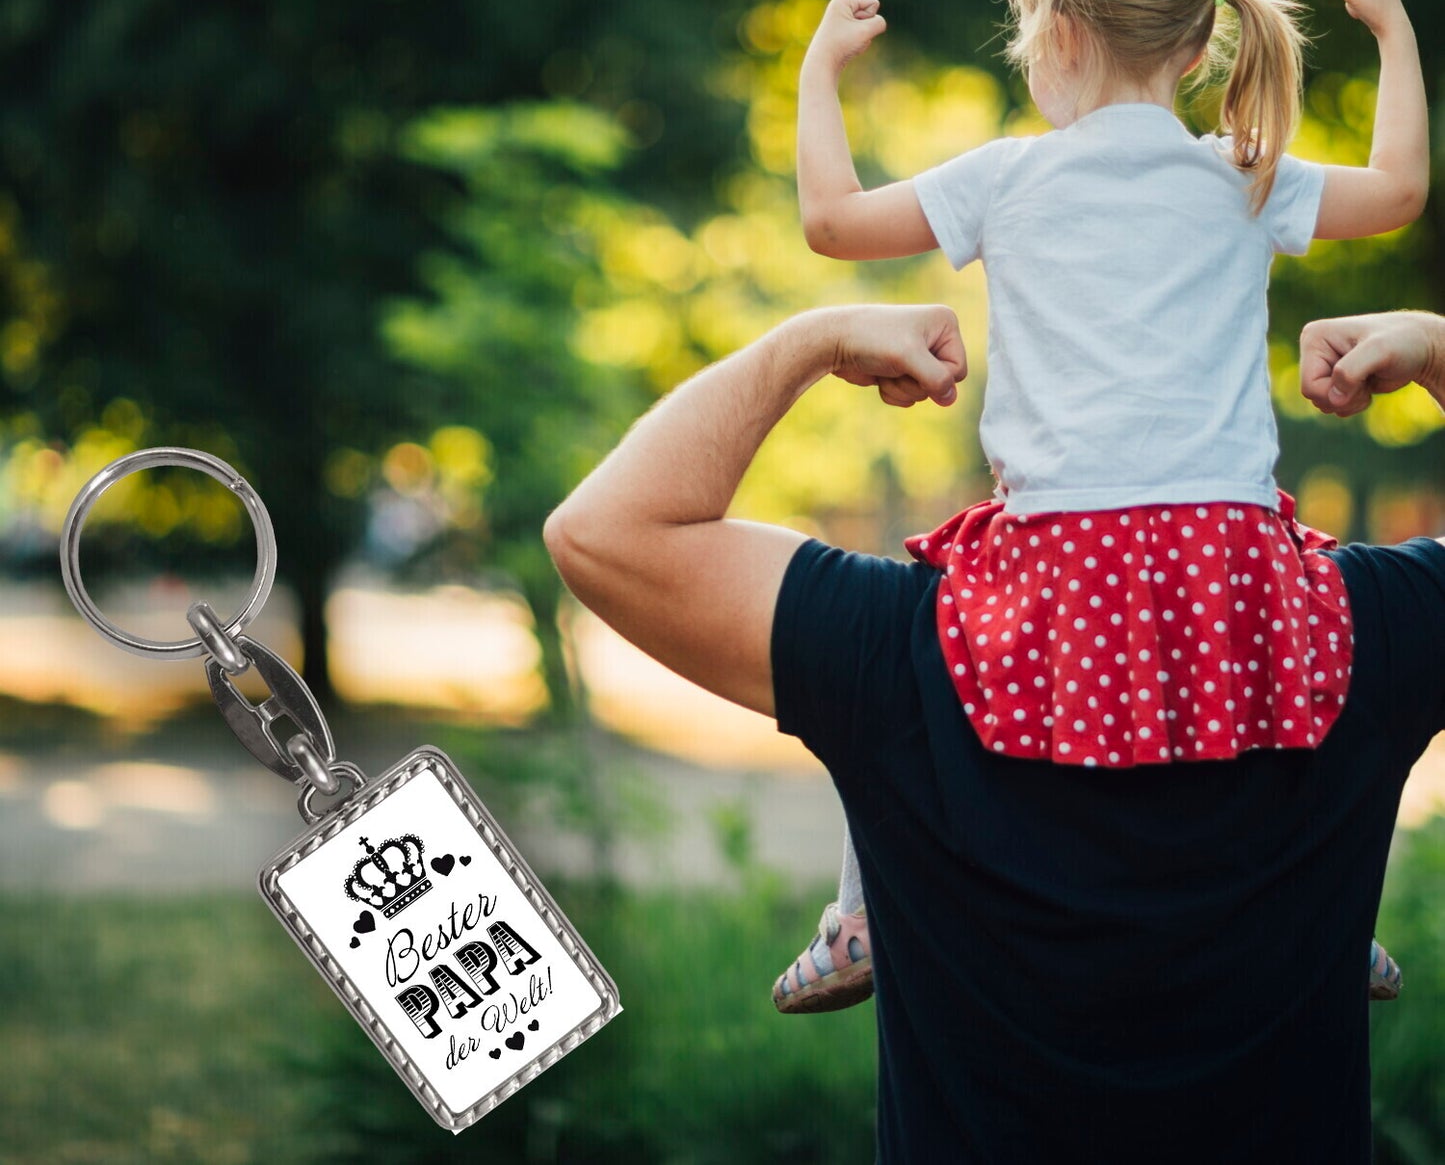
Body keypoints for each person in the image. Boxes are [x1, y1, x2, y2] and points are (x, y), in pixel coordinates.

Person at [545, 304, 1445, 1163]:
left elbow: (603, 532)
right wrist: (1437, 349)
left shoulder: (905, 643)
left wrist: (807, 344)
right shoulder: (1355, 631)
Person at [778, 0, 1427, 1012]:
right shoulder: (1244, 171)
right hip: (1227, 550)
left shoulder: (1004, 179)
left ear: (1054, 35)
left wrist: (817, 69)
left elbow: (829, 220)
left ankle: (860, 918)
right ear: (1195, 41)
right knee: (1320, 668)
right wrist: (1393, 38)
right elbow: (1396, 189)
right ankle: (1337, 917)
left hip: (1056, 554)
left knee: (887, 657)